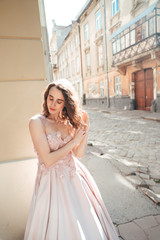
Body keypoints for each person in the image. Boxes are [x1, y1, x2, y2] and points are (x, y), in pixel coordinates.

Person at [24, 79, 119, 240]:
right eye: (50, 98)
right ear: (46, 97)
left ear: (65, 104)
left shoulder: (66, 123)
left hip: (75, 177)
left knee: (84, 221)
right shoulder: (36, 122)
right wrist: (74, 141)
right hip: (51, 182)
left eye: (59, 101)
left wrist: (85, 128)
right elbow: (47, 160)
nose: (53, 104)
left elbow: (79, 154)